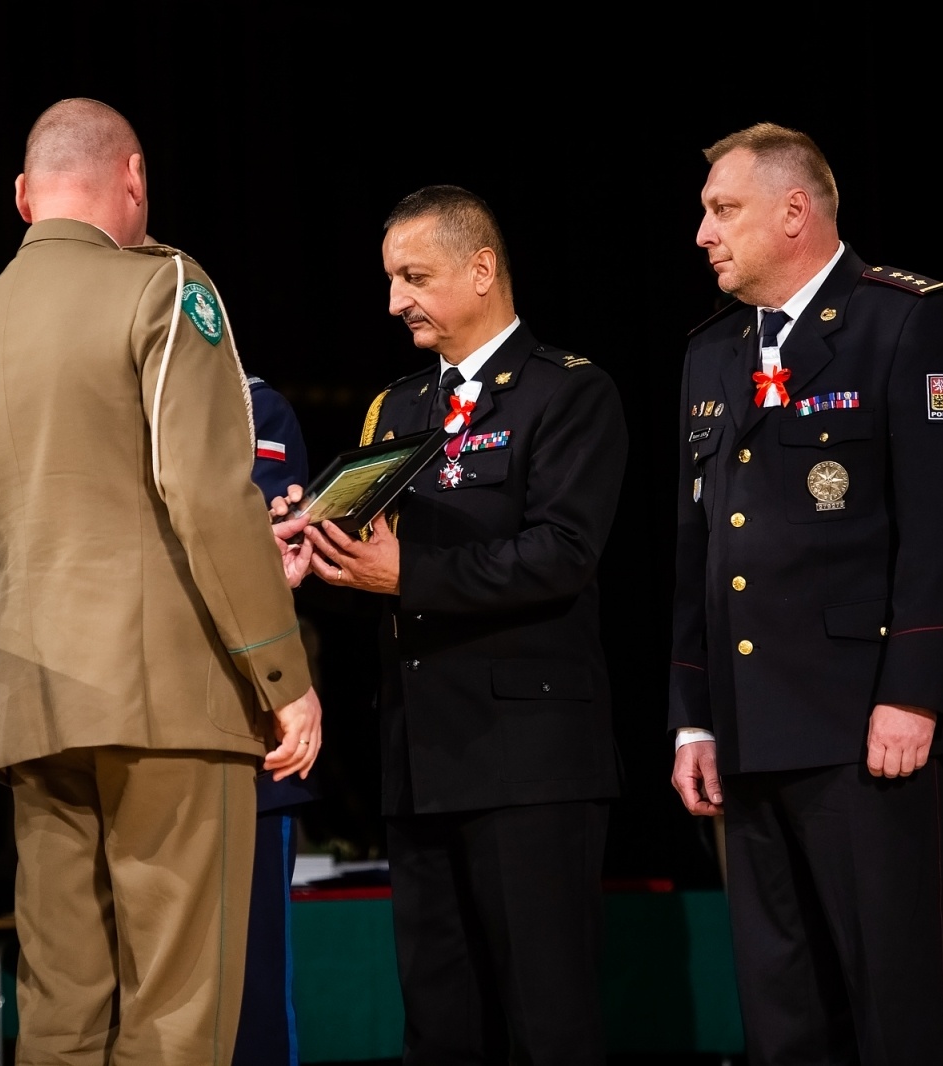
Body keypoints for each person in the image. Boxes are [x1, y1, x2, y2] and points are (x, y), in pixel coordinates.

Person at [0, 98, 322, 1064]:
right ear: (136, 176)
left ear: (26, 196)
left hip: (37, 707)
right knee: (176, 1014)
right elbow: (208, 495)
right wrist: (283, 677)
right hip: (165, 708)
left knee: (63, 1011)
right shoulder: (163, 288)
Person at [667, 123, 943, 1065]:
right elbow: (699, 548)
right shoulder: (714, 353)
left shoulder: (908, 321)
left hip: (867, 728)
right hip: (748, 728)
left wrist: (914, 692)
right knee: (781, 1014)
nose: (703, 233)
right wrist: (692, 717)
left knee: (893, 1005)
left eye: (723, 210)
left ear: (795, 212)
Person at [302, 185, 627, 1065]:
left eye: (414, 276)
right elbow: (371, 574)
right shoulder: (396, 407)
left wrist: (408, 573)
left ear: (481, 270)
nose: (394, 299)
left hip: (529, 761)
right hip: (420, 760)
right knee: (440, 1026)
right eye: (391, 278)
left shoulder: (568, 394)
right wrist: (313, 558)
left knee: (546, 1021)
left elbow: (561, 555)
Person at [235, 373, 316, 1066]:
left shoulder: (252, 405)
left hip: (247, 743)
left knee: (252, 998)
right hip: (131, 739)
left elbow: (277, 541)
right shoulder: (90, 403)